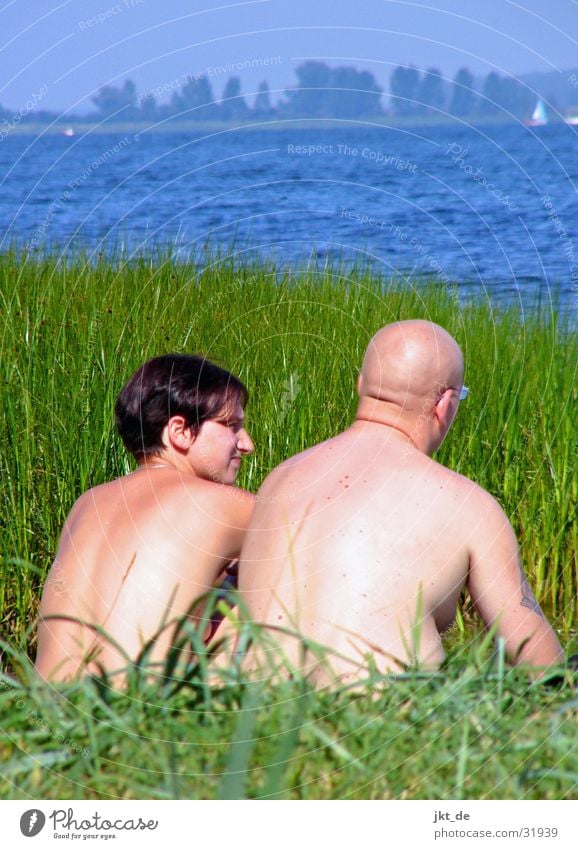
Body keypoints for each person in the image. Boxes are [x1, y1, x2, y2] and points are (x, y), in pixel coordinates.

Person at [238, 320, 563, 687]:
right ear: (445, 404)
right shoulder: (469, 506)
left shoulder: (280, 477)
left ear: (361, 385)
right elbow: (542, 667)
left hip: (260, 712)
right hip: (386, 718)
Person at [36, 354, 255, 682]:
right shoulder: (224, 503)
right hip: (136, 721)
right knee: (254, 592)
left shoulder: (87, 503)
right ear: (180, 431)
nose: (247, 444)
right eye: (231, 426)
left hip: (49, 714)